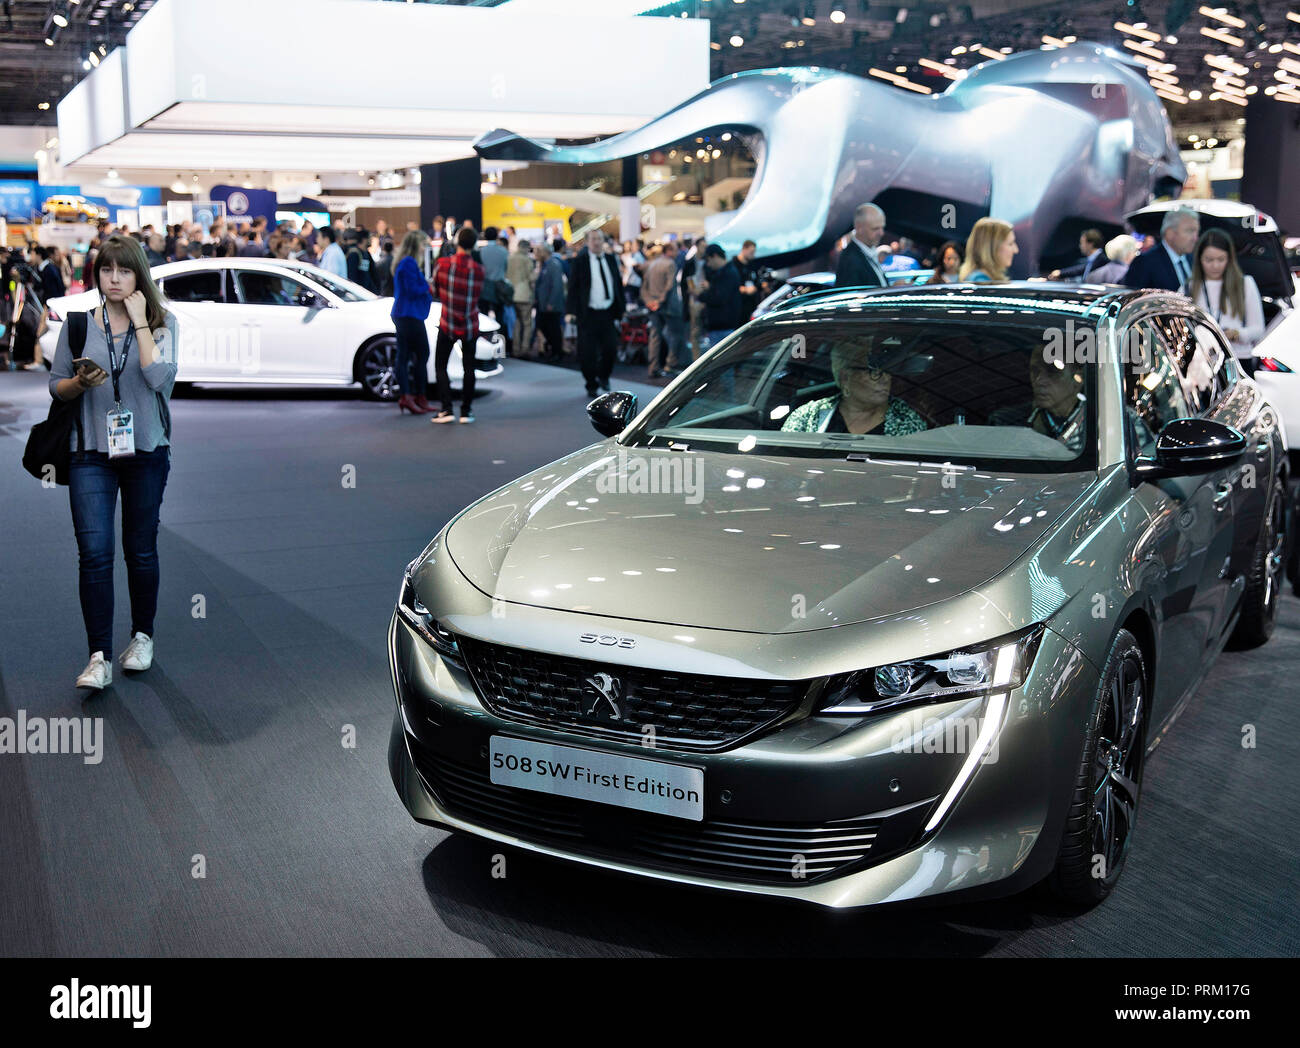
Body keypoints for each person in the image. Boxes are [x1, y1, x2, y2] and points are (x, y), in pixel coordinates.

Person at [47, 234, 179, 690]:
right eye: (107, 270)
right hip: (90, 454)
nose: (115, 279)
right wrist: (80, 384)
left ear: (138, 274)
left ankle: (142, 637)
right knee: (95, 554)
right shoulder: (79, 324)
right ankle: (98, 656)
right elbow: (55, 385)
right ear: (96, 274)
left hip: (146, 450)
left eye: (124, 270)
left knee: (140, 550)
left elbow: (159, 379)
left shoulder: (163, 322)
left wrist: (141, 321)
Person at [781, 338, 928, 435]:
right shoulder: (809, 416)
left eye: (886, 370)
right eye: (873, 371)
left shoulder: (906, 421)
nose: (886, 378)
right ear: (845, 377)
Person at [1185, 228, 1266, 371]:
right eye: (1209, 260)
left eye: (1221, 259)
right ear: (1199, 259)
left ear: (1229, 258)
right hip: (1203, 363)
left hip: (1238, 359)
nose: (1215, 265)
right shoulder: (1188, 288)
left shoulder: (1244, 284)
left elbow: (1258, 329)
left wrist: (1238, 334)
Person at [431, 226, 485, 423]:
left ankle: (446, 409)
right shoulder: (479, 270)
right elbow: (479, 295)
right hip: (470, 324)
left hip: (447, 323)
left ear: (456, 242)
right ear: (474, 244)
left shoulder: (443, 264)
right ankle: (466, 411)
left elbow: (435, 291)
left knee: (441, 366)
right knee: (469, 368)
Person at [566, 229, 624, 397]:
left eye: (599, 239)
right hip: (588, 314)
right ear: (587, 242)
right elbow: (573, 288)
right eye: (593, 239)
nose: (597, 242)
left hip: (607, 313)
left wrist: (621, 309)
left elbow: (617, 285)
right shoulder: (580, 261)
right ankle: (591, 383)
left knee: (610, 349)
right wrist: (570, 311)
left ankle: (604, 376)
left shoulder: (611, 259)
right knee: (587, 352)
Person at [991, 354, 1087, 453]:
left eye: (1052, 371)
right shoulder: (1004, 423)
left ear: (1078, 379)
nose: (1039, 380)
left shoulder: (1099, 423)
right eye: (1035, 371)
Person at [390, 230, 434, 415]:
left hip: (406, 314)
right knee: (418, 354)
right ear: (417, 245)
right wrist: (428, 285)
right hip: (409, 315)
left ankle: (412, 397)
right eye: (423, 245)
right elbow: (413, 289)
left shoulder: (406, 262)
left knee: (408, 355)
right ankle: (413, 396)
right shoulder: (409, 263)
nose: (425, 249)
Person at [1123, 207, 1200, 291]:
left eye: (1197, 232)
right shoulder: (1145, 263)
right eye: (1190, 231)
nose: (1195, 238)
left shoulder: (1194, 260)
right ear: (1170, 233)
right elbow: (1134, 299)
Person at [641, 240, 684, 379]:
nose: (678, 253)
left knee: (655, 336)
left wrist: (649, 302)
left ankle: (653, 367)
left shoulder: (652, 264)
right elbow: (669, 285)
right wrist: (659, 301)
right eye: (676, 250)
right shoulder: (670, 264)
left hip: (653, 306)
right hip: (668, 306)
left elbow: (644, 287)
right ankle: (670, 365)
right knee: (676, 334)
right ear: (669, 251)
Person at [696, 244, 743, 349]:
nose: (708, 264)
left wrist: (700, 296)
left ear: (715, 256)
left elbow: (719, 298)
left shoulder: (728, 273)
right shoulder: (725, 272)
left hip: (723, 327)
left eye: (708, 260)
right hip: (721, 326)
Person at [833, 203, 888, 288]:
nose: (881, 233)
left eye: (882, 228)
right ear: (859, 228)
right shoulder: (851, 259)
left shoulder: (865, 252)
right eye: (875, 228)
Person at [533, 242, 566, 361]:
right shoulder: (544, 265)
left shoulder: (553, 265)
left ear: (545, 252)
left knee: (553, 328)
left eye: (539, 250)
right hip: (543, 303)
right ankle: (554, 349)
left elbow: (557, 285)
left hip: (551, 304)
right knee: (544, 326)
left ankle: (558, 351)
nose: (536, 253)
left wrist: (551, 302)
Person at [507, 238, 535, 360]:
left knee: (516, 323)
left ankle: (515, 349)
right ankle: (525, 349)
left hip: (512, 294)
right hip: (524, 295)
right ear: (527, 248)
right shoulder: (527, 260)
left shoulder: (510, 258)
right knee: (527, 323)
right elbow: (532, 279)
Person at [681, 237, 709, 356]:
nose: (704, 249)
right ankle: (696, 358)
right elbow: (684, 282)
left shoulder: (708, 261)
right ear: (697, 246)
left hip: (707, 297)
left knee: (706, 329)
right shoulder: (690, 262)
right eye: (702, 246)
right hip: (694, 299)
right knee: (695, 330)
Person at [733, 239, 761, 324]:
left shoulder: (752, 265)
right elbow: (731, 286)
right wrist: (745, 290)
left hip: (751, 307)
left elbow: (756, 282)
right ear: (744, 249)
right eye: (751, 252)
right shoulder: (733, 266)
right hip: (738, 310)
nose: (753, 255)